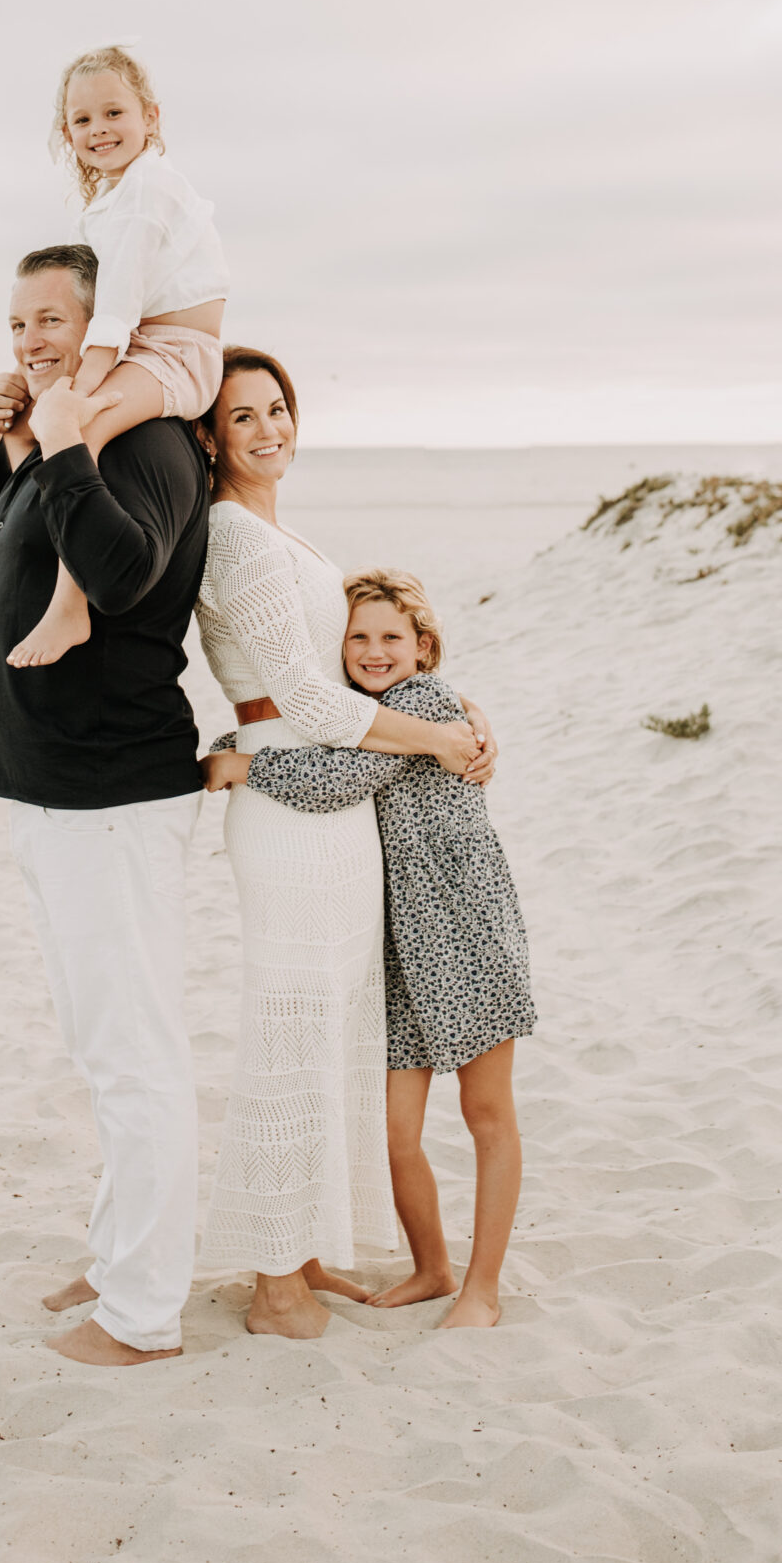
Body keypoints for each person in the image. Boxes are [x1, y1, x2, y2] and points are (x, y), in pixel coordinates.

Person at [191, 350, 498, 1339]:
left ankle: (305, 1242)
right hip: (288, 788)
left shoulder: (287, 534)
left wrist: (453, 706)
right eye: (243, 417)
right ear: (211, 436)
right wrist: (441, 740)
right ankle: (274, 1281)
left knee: (332, 1030)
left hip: (339, 794)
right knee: (291, 1023)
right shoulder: (233, 537)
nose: (268, 428)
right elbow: (316, 696)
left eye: (278, 408)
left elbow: (362, 675)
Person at [0, 242, 210, 1367]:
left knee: (134, 1054)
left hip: (112, 793)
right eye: (17, 325)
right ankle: (121, 1258)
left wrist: (59, 440)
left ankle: (145, 1312)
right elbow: (31, 552)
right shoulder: (63, 433)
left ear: (103, 323)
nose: (30, 342)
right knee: (97, 1042)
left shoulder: (150, 441)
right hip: (52, 787)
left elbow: (117, 574)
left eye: (52, 321)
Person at [204, 567, 535, 1329]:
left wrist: (246, 765)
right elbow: (305, 738)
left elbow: (335, 777)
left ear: (423, 647)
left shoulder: (422, 706)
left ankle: (481, 1291)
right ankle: (431, 1267)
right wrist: (235, 741)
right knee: (393, 1128)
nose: (373, 650)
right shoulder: (358, 711)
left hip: (463, 927)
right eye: (357, 637)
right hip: (398, 943)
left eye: (391, 637)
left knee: (487, 1113)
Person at [5, 45, 227, 669]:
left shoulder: (148, 189)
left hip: (177, 354)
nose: (98, 130)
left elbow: (119, 301)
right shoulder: (110, 197)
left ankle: (69, 605)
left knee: (83, 425)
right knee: (58, 418)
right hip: (145, 345)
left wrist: (84, 382)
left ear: (150, 118)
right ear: (67, 132)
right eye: (81, 121)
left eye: (113, 113)